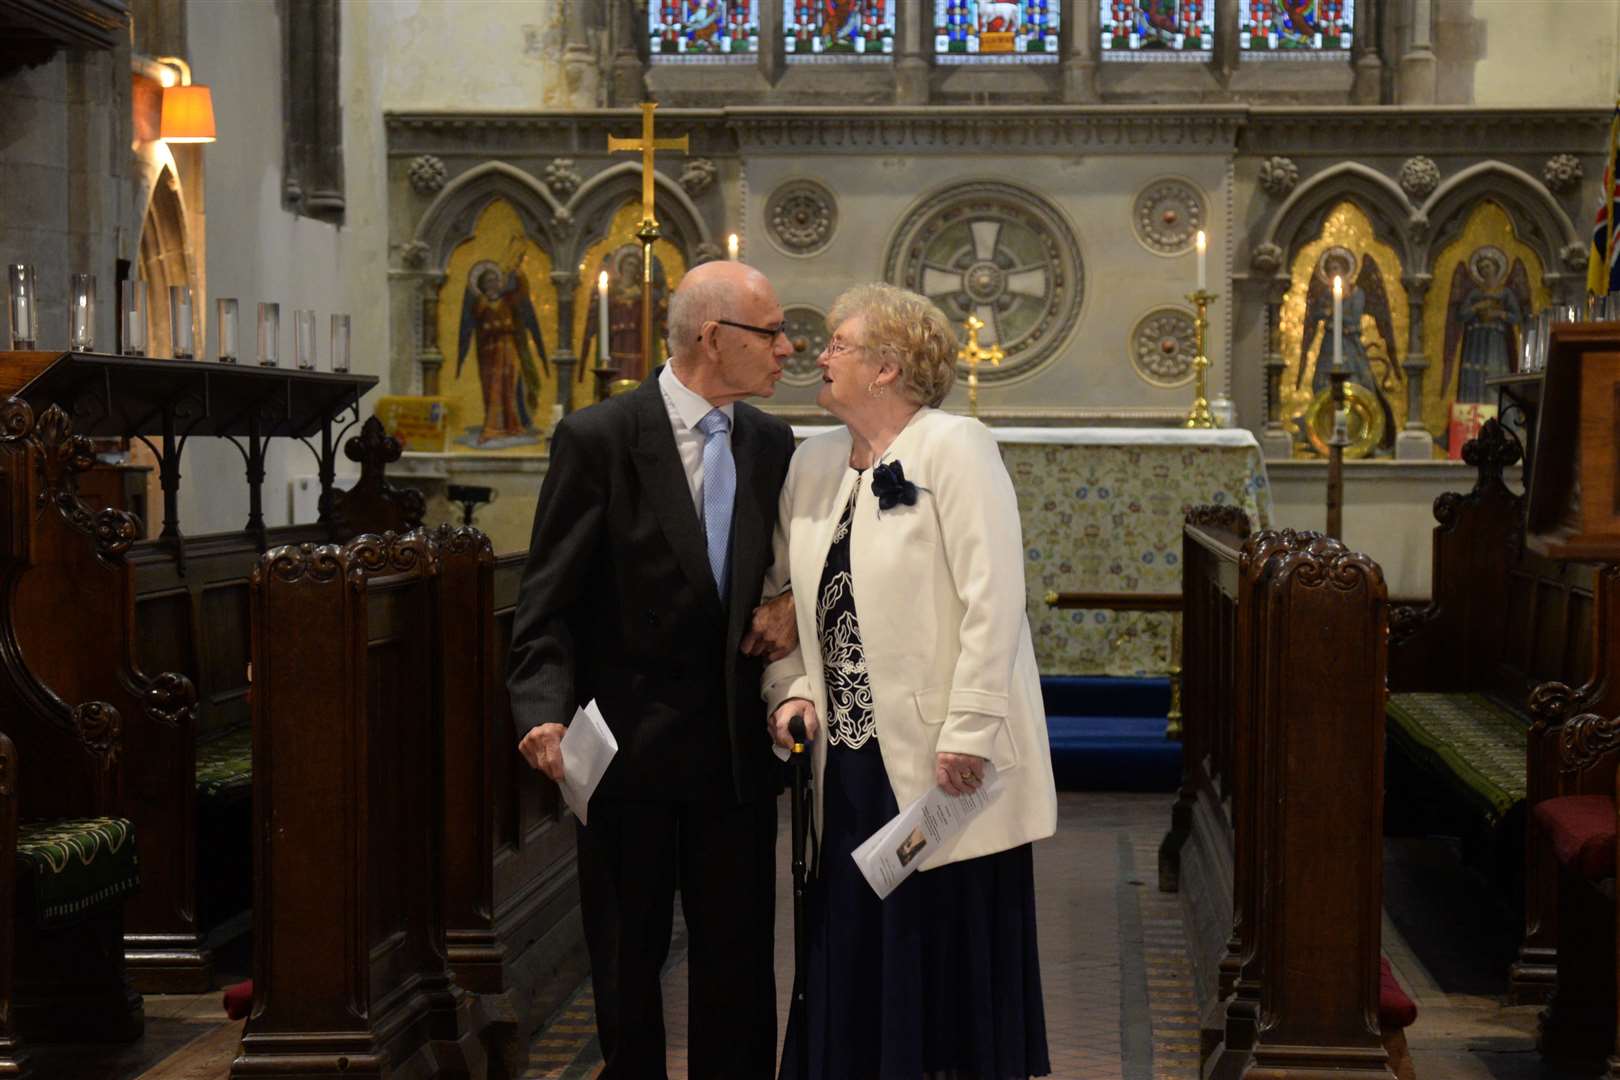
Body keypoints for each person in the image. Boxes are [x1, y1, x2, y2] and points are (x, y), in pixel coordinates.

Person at [507, 259, 799, 1079]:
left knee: (738, 969)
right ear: (714, 336)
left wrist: (790, 606)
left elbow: (802, 562)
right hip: (628, 749)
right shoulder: (600, 437)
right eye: (771, 332)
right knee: (627, 965)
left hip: (736, 751)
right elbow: (548, 600)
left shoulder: (771, 442)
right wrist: (541, 710)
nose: (787, 349)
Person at [764, 282, 1057, 1079]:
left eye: (839, 345)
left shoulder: (956, 447)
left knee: (943, 954)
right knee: (854, 947)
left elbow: (994, 599)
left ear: (888, 367)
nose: (819, 356)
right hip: (848, 762)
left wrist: (969, 731)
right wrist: (790, 689)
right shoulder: (813, 460)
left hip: (938, 761)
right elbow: (784, 603)